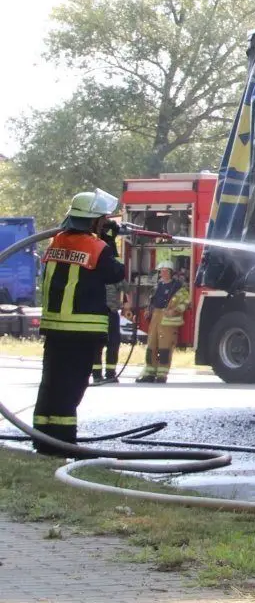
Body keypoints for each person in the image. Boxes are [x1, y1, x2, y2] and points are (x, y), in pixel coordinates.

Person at [34, 189, 126, 455]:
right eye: (103, 219)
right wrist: (110, 241)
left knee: (51, 384)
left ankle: (42, 439)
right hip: (81, 331)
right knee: (71, 387)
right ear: (95, 221)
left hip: (54, 329)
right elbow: (116, 273)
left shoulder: (56, 242)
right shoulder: (97, 247)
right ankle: (63, 442)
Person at [137, 264, 188, 383]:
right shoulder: (157, 286)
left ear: (171, 272)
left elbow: (185, 302)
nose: (163, 273)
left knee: (165, 348)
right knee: (151, 346)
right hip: (155, 316)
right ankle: (149, 373)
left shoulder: (178, 287)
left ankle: (162, 375)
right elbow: (152, 301)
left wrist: (174, 311)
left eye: (165, 271)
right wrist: (148, 310)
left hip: (168, 319)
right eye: (161, 271)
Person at [92, 274, 126, 384]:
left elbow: (126, 288)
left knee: (111, 343)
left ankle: (107, 374)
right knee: (99, 343)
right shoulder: (110, 272)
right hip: (100, 313)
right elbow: (127, 288)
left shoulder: (112, 273)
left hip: (105, 313)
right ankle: (100, 374)